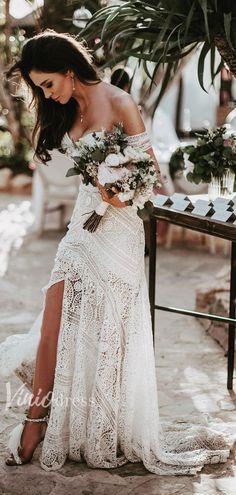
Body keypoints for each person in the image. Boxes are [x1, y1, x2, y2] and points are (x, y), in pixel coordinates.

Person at [0, 29, 235, 473]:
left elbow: (148, 176)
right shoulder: (64, 108)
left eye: (48, 84)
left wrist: (121, 195)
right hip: (82, 225)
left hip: (119, 227)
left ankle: (102, 424)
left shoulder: (122, 102)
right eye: (40, 88)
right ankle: (37, 417)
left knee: (111, 331)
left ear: (70, 71)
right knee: (56, 313)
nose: (46, 94)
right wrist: (102, 190)